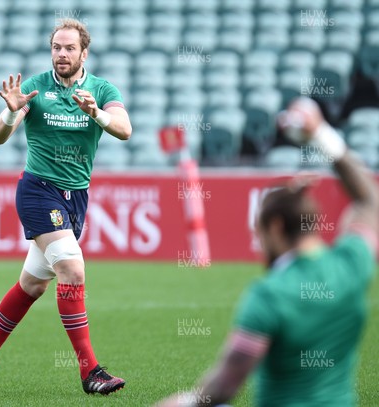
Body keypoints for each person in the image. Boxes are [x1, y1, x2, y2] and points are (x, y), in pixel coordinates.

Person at [155, 97, 378, 406]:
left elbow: (224, 386)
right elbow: (370, 202)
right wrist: (321, 134)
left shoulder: (269, 295)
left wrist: (184, 401)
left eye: (259, 231)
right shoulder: (351, 264)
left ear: (274, 227)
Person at [0, 19, 132, 395]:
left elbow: (124, 128)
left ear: (84, 52)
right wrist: (10, 112)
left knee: (33, 285)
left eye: (69, 48)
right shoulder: (36, 87)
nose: (61, 54)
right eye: (56, 47)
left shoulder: (101, 89)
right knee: (72, 268)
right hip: (38, 191)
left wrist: (96, 114)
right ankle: (91, 372)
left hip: (76, 199)